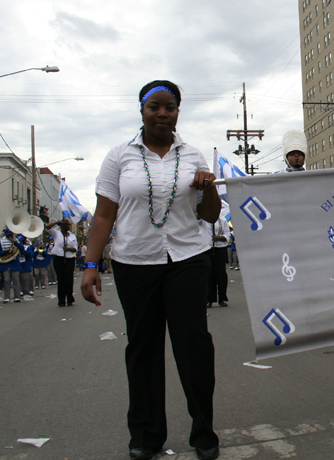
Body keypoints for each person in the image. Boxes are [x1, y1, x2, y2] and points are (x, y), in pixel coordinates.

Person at [81, 80, 222, 460]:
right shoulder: (119, 157)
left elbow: (209, 215)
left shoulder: (193, 155)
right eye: (154, 107)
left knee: (193, 346)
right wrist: (91, 265)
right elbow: (104, 215)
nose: (163, 114)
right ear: (141, 110)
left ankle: (204, 432)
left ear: (178, 112)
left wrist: (209, 187)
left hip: (188, 260)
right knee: (143, 349)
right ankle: (146, 436)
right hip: (134, 262)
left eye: (170, 107)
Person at [45, 219, 78, 306]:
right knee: (61, 279)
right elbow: (47, 227)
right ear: (62, 226)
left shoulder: (72, 236)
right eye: (66, 225)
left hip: (69, 259)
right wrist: (57, 222)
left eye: (69, 225)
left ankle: (70, 298)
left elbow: (75, 249)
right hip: (59, 258)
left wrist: (68, 249)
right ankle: (61, 300)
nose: (68, 226)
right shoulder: (57, 233)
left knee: (69, 279)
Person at [207, 216, 230, 308]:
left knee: (221, 273)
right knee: (209, 274)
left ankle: (222, 298)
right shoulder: (204, 220)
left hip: (220, 248)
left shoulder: (222, 220)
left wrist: (220, 238)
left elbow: (227, 234)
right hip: (208, 248)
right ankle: (209, 299)